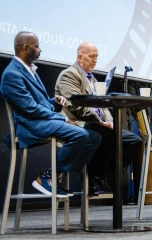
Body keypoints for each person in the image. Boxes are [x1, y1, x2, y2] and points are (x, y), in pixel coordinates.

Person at [0, 31, 101, 196]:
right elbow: (30, 109)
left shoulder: (30, 69)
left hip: (41, 121)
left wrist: (54, 101)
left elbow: (41, 103)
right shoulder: (13, 74)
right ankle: (48, 177)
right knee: (80, 134)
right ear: (26, 48)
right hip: (29, 125)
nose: (40, 50)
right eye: (37, 46)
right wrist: (62, 118)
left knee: (94, 137)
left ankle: (56, 175)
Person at [55, 42, 143, 196]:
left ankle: (98, 174)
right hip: (78, 123)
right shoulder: (69, 75)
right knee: (103, 134)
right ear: (80, 57)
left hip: (97, 124)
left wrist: (110, 122)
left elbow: (103, 106)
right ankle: (94, 175)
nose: (95, 60)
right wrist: (99, 121)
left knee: (134, 141)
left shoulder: (94, 80)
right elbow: (75, 105)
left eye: (96, 56)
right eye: (91, 56)